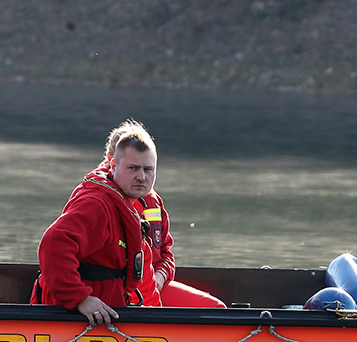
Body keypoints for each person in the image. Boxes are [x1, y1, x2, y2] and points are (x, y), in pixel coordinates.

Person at [31, 119, 225, 325]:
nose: (141, 177)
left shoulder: (141, 201)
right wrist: (80, 299)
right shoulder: (97, 204)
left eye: (148, 170)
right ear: (112, 164)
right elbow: (54, 244)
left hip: (126, 297)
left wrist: (160, 279)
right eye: (133, 168)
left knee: (216, 312)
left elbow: (164, 252)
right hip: (87, 310)